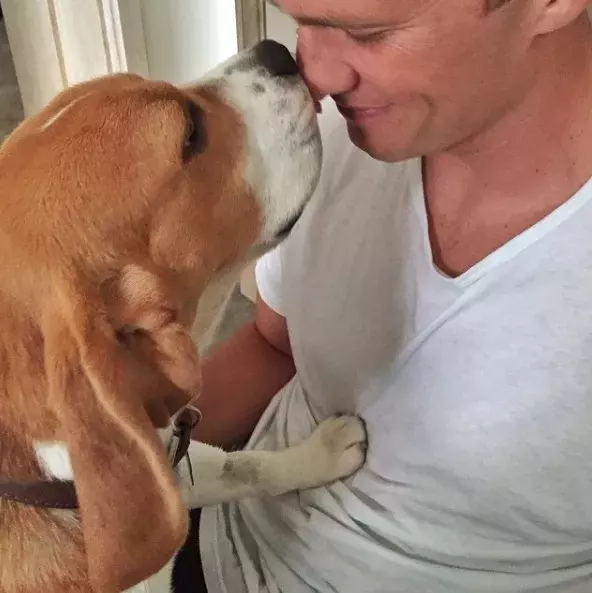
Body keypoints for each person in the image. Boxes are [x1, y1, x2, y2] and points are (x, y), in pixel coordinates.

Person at [178, 1, 592, 591]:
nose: (315, 76)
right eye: (301, 21)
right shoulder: (332, 136)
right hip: (221, 531)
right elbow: (275, 346)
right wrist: (96, 463)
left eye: (368, 33)